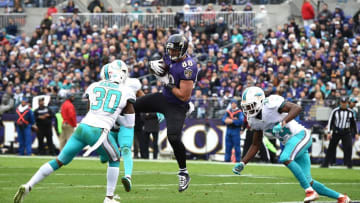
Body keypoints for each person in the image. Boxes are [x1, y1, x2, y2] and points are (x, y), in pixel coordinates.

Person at [14, 60, 135, 203]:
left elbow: (92, 110)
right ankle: (109, 198)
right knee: (114, 159)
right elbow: (129, 123)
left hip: (82, 127)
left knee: (59, 160)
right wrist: (116, 117)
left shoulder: (94, 86)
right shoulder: (126, 91)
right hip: (99, 130)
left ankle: (29, 185)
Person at [232, 87, 351, 203]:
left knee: (285, 157)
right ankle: (341, 198)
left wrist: (283, 122)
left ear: (260, 101)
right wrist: (243, 162)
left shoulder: (271, 104)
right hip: (291, 143)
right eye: (245, 107)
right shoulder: (253, 120)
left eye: (250, 106)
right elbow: (255, 144)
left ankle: (309, 192)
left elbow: (297, 108)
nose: (247, 110)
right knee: (309, 181)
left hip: (300, 135)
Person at [134, 34, 197, 192]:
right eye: (170, 50)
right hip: (164, 98)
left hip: (177, 105)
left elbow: (184, 95)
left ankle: (183, 172)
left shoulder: (189, 66)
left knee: (173, 137)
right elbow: (163, 66)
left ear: (182, 50)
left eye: (175, 50)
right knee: (132, 106)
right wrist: (155, 68)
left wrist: (167, 83)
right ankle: (112, 127)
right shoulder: (169, 57)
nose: (171, 53)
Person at [103, 60, 145, 193]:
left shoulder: (132, 84)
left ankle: (128, 176)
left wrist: (154, 109)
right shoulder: (104, 85)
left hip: (125, 122)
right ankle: (111, 187)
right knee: (111, 155)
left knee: (126, 148)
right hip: (110, 123)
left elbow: (142, 97)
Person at [321, 96, 358, 169]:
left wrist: (356, 133)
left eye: (345, 103)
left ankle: (348, 164)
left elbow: (353, 123)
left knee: (348, 147)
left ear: (347, 103)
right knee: (331, 148)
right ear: (340, 102)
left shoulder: (350, 112)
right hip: (336, 132)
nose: (344, 104)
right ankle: (326, 163)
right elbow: (330, 121)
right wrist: (329, 132)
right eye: (342, 102)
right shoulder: (335, 111)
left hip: (346, 132)